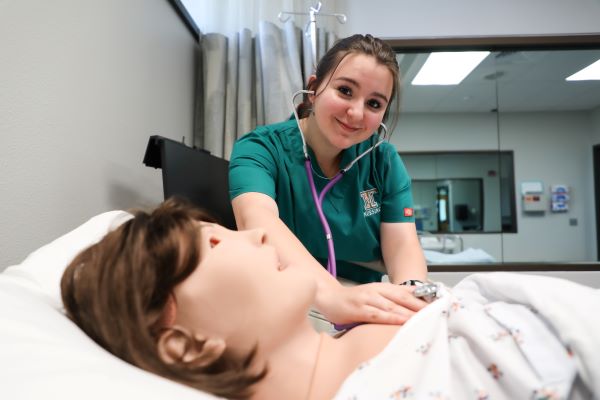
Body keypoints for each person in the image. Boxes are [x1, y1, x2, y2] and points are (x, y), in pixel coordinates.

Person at [61, 199, 598, 400]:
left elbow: (402, 242)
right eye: (218, 239)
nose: (261, 237)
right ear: (185, 344)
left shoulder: (349, 342)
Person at [228, 34, 427, 327]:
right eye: (345, 90)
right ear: (313, 89)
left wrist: (413, 295)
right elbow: (256, 219)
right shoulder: (260, 149)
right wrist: (335, 297)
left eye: (374, 103)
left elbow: (402, 247)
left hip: (360, 307)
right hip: (280, 302)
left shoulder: (382, 161)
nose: (356, 113)